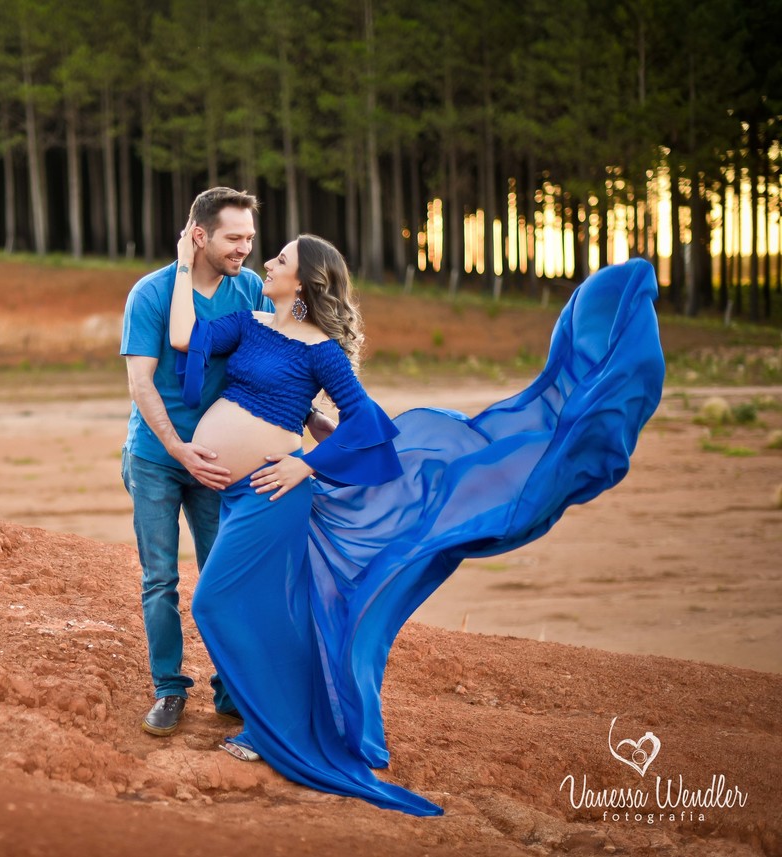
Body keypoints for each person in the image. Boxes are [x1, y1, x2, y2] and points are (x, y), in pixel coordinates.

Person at [169, 226, 665, 815]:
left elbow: (365, 425)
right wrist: (183, 264)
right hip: (239, 493)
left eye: (281, 259)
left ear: (303, 282)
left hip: (275, 493)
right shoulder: (250, 322)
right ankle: (268, 724)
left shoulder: (321, 349)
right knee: (270, 610)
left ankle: (273, 733)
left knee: (213, 604)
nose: (269, 263)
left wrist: (306, 465)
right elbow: (186, 336)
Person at [120, 187, 336, 738]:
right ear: (200, 237)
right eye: (233, 238)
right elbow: (141, 382)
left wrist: (310, 419)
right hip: (158, 459)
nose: (245, 249)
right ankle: (169, 690)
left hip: (222, 469)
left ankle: (231, 688)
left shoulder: (251, 295)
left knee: (224, 577)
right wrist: (176, 448)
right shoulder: (150, 293)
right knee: (160, 578)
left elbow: (277, 362)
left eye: (250, 239)